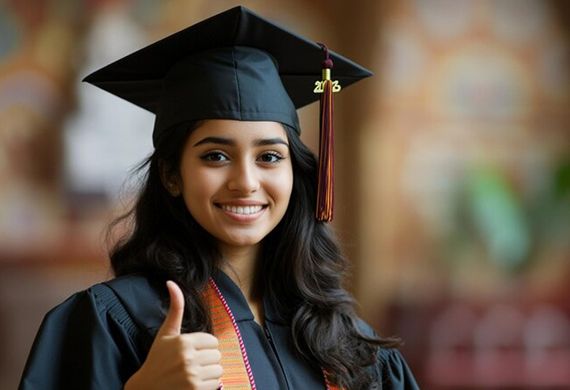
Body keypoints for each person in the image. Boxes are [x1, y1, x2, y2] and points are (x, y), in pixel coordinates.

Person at [19, 6, 418, 390]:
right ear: (172, 175)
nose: (245, 181)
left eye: (269, 157)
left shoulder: (346, 342)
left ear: (294, 172)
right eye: (216, 156)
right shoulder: (114, 323)